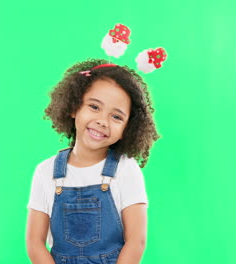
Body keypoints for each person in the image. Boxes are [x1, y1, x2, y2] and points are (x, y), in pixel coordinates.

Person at [26, 58, 161, 264]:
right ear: (73, 107)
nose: (102, 121)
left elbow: (136, 242)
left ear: (128, 129)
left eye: (116, 117)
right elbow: (34, 243)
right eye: (94, 107)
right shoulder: (46, 171)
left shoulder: (126, 170)